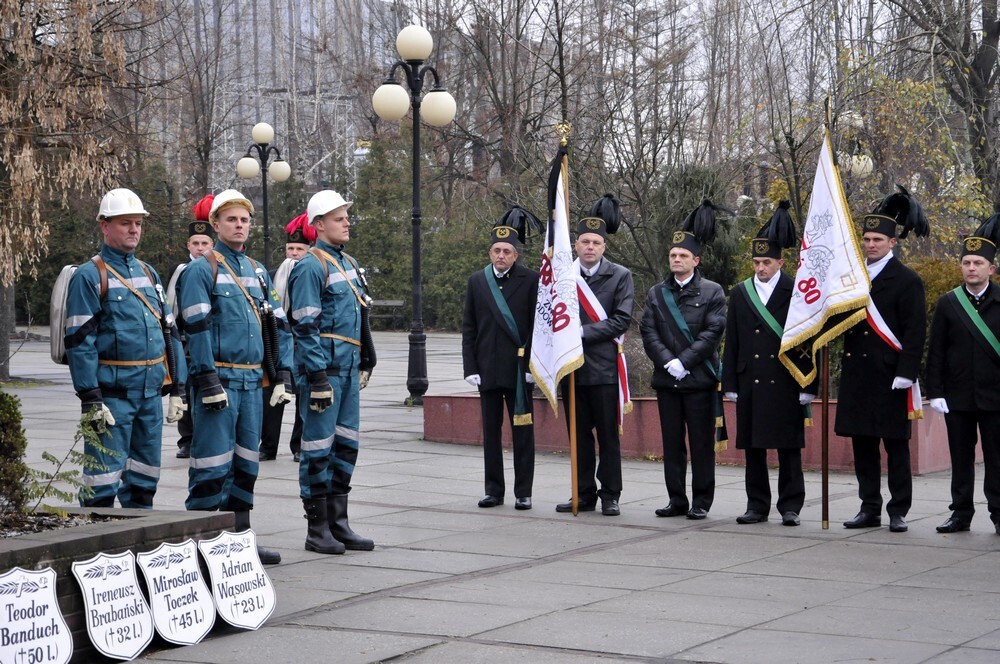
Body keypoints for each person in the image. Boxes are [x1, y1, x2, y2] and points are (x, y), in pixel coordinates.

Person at [179, 189, 293, 564]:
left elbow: (279, 326)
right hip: (220, 384)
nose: (239, 225)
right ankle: (199, 547)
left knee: (246, 464)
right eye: (231, 219)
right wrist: (206, 379)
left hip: (252, 383)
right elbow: (194, 330)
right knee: (211, 466)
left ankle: (239, 543)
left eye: (244, 220)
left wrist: (284, 374)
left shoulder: (259, 270)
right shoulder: (201, 269)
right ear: (216, 225)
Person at [65, 188, 186, 508]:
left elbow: (169, 333)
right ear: (105, 226)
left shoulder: (149, 273)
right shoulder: (90, 275)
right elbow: (80, 342)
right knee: (101, 483)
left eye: (138, 223)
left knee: (144, 480)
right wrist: (90, 397)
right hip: (112, 400)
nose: (134, 229)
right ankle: (96, 549)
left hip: (149, 397)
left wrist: (178, 388)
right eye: (125, 223)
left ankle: (138, 552)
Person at [288, 190, 377, 554]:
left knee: (345, 447)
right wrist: (318, 377)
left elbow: (360, 315)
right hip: (325, 374)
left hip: (349, 371)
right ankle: (317, 528)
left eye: (346, 217)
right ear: (319, 224)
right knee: (317, 450)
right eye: (340, 218)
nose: (347, 223)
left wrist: (367, 358)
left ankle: (339, 523)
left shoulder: (348, 262)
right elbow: (304, 327)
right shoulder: (311, 265)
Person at [835, 185, 928, 533]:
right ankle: (869, 506)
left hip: (890, 376)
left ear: (892, 242)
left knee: (895, 446)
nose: (871, 245)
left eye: (878, 239)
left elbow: (915, 332)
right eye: (867, 239)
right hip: (859, 373)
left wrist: (907, 372)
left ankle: (898, 509)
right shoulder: (851, 278)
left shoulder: (907, 281)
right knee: (863, 446)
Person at [722, 201, 816, 526]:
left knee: (789, 447)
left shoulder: (797, 291)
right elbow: (731, 341)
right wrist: (730, 383)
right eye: (756, 262)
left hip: (787, 378)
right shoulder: (739, 293)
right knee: (753, 448)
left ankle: (791, 506)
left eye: (767, 262)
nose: (760, 268)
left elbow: (809, 339)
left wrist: (809, 383)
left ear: (781, 261)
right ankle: (756, 505)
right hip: (751, 379)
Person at [641, 200, 727, 520]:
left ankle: (701, 501)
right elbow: (648, 332)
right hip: (667, 381)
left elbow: (712, 333)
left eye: (683, 256)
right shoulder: (655, 293)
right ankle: (676, 499)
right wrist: (668, 362)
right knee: (672, 444)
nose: (677, 259)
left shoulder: (713, 292)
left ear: (696, 260)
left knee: (702, 445)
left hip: (699, 381)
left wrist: (685, 362)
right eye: (673, 255)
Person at [555, 194, 634, 517]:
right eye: (585, 241)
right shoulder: (562, 275)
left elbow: (621, 319)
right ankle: (583, 492)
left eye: (596, 242)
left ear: (604, 246)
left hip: (603, 369)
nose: (590, 247)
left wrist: (580, 334)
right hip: (572, 370)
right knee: (579, 438)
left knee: (607, 436)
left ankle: (610, 494)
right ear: (575, 244)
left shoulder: (620, 276)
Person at [462, 207, 541, 510]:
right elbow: (469, 327)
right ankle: (493, 490)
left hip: (519, 370)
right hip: (487, 369)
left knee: (523, 433)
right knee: (491, 435)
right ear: (490, 251)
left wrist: (534, 366)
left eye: (507, 251)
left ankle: (524, 492)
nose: (501, 256)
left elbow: (538, 326)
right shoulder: (477, 281)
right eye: (496, 250)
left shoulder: (531, 280)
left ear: (516, 255)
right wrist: (470, 367)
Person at [927, 215, 1000, 535]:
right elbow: (936, 351)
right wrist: (936, 391)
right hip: (957, 396)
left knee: (998, 460)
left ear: (991, 269)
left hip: (996, 397)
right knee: (960, 458)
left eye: (978, 262)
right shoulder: (948, 303)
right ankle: (961, 513)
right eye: (967, 262)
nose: (971, 267)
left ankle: (998, 513)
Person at [260, 214, 314, 462]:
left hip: (302, 346)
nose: (293, 253)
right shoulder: (271, 275)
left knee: (304, 396)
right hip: (278, 346)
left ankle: (299, 445)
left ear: (308, 250)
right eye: (290, 248)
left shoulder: (311, 275)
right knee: (273, 397)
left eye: (299, 249)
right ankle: (267, 446)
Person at [166, 196, 215, 460]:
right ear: (188, 245)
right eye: (195, 243)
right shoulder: (180, 269)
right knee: (184, 388)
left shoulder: (217, 268)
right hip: (185, 339)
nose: (199, 248)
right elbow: (171, 306)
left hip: (209, 338)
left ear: (212, 244)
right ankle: (187, 439)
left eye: (204, 243)